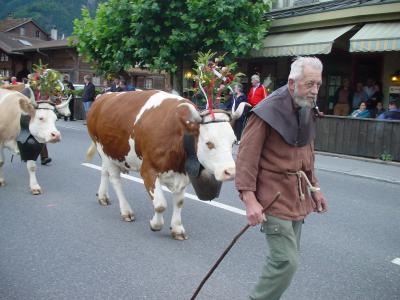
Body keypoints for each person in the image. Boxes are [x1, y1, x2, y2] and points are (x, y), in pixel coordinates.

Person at [235, 56, 328, 300]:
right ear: (291, 83)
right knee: (285, 261)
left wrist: (315, 188)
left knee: (288, 258)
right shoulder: (266, 112)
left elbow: (307, 153)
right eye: (309, 84)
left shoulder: (306, 107)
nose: (314, 90)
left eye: (318, 84)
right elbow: (246, 158)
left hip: (297, 197)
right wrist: (249, 200)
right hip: (273, 197)